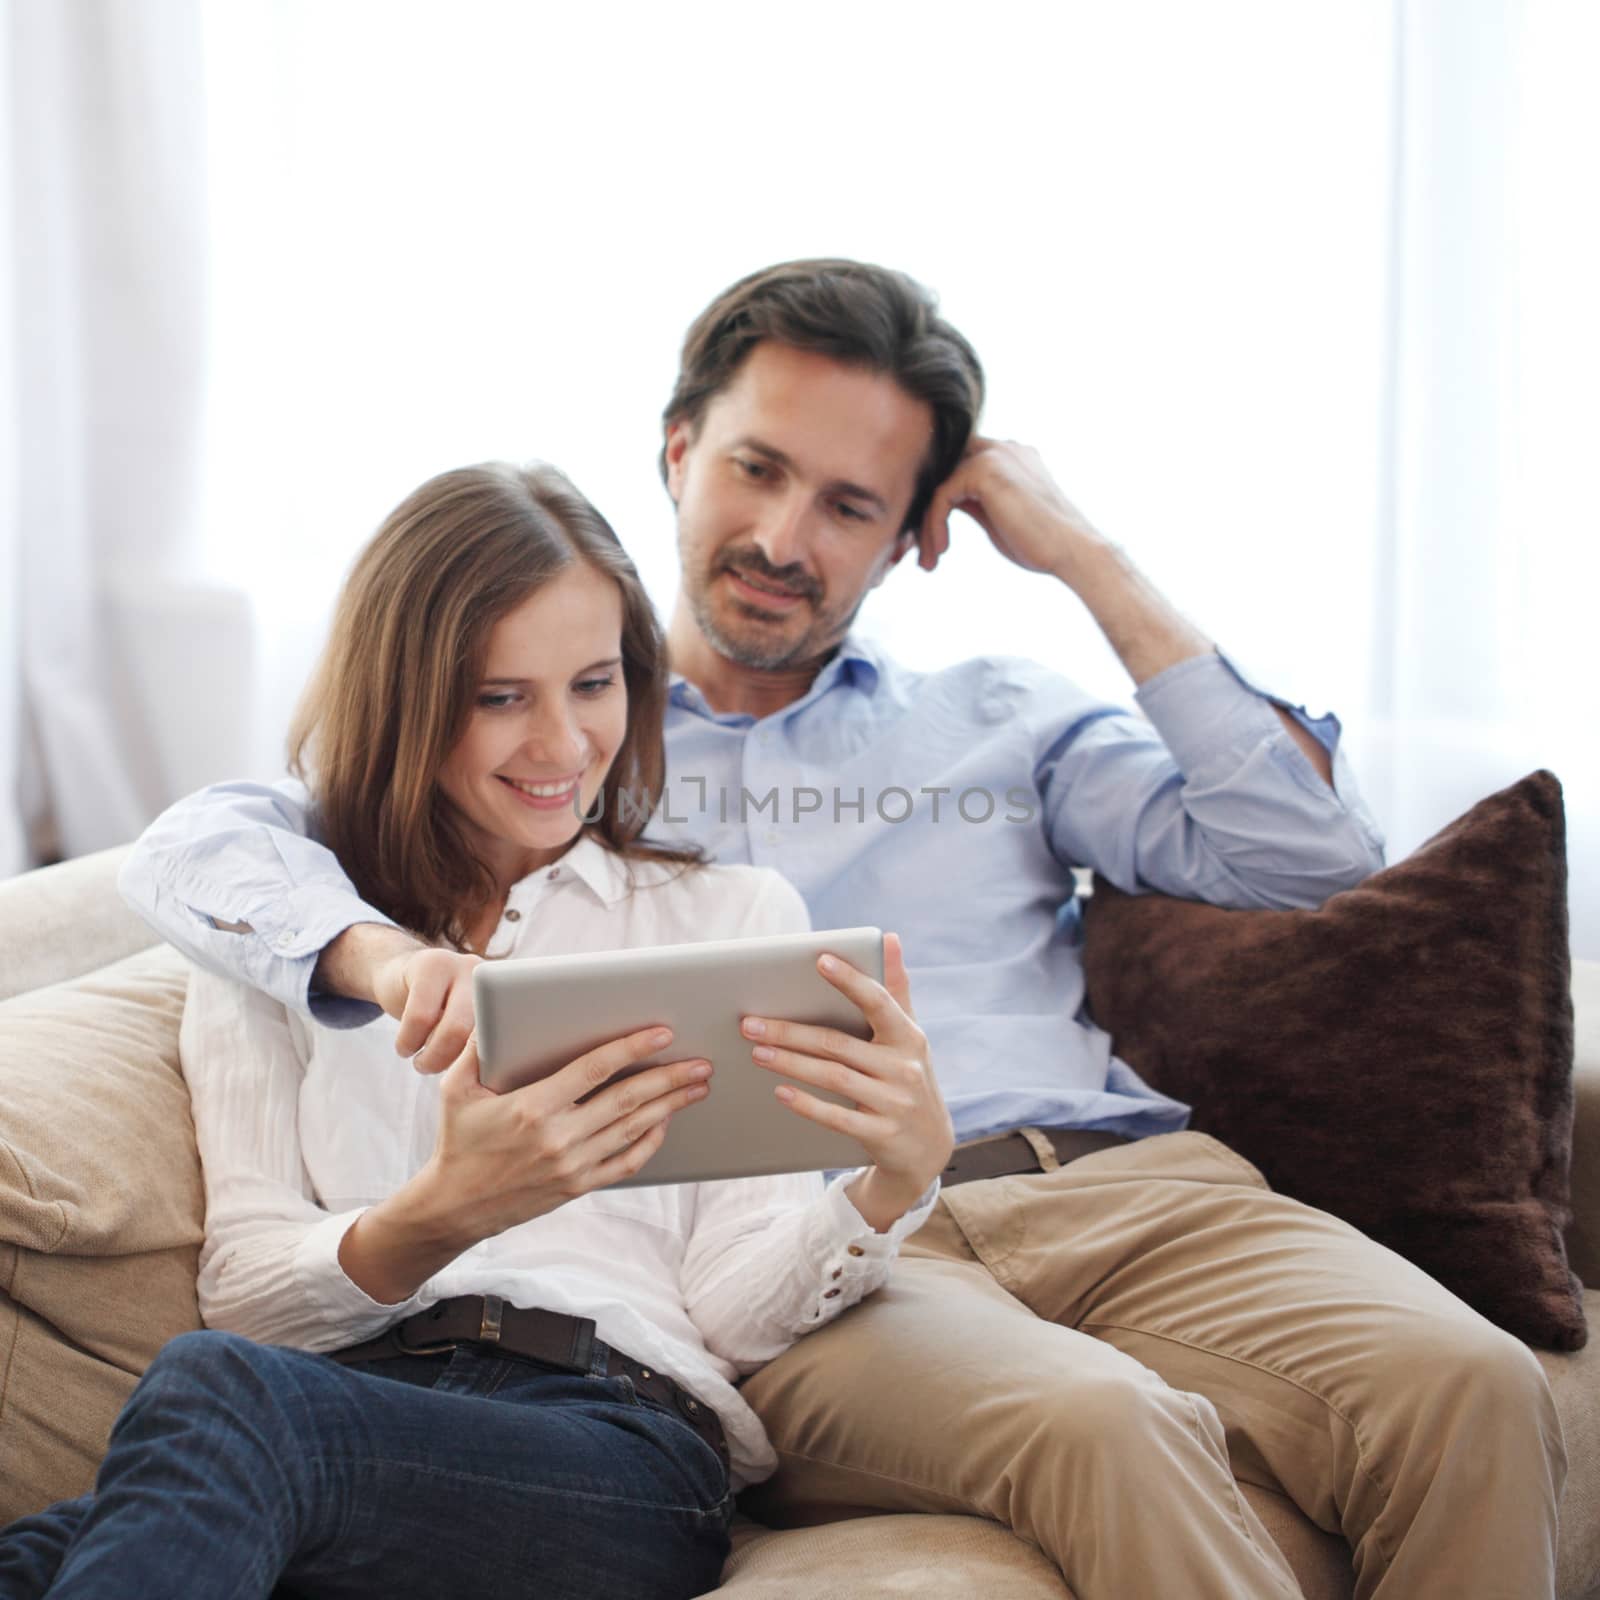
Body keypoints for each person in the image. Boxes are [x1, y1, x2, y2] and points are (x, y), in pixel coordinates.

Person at [118, 261, 1565, 1599]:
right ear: (678, 450)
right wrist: (384, 961)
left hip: (1119, 1184)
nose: (781, 538)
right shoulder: (538, 749)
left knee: (1477, 1386)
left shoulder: (995, 716)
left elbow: (1311, 860)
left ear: (911, 536)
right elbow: (217, 846)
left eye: (851, 505)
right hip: (846, 1247)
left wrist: (1079, 551)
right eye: (757, 469)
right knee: (1104, 1423)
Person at [0, 462, 953, 1600]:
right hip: (346, 1422)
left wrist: (890, 1184)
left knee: (225, 1397)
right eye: (503, 697)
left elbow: (732, 1309)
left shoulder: (725, 919)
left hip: (609, 1443)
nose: (562, 744)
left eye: (593, 683)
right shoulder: (283, 943)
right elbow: (249, 1292)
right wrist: (442, 1212)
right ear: (406, 702)